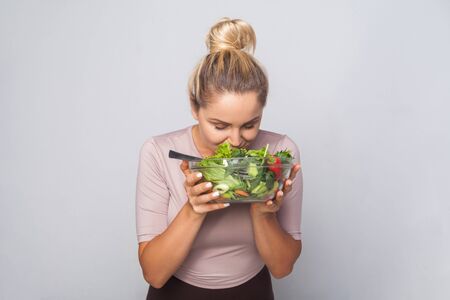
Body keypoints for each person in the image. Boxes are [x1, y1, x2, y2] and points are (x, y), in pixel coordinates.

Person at [135, 17, 303, 300]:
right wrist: (193, 209)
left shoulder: (279, 152)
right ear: (194, 107)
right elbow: (153, 273)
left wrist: (263, 212)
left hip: (253, 292)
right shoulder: (158, 152)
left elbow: (282, 267)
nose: (236, 141)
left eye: (250, 125)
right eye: (220, 126)